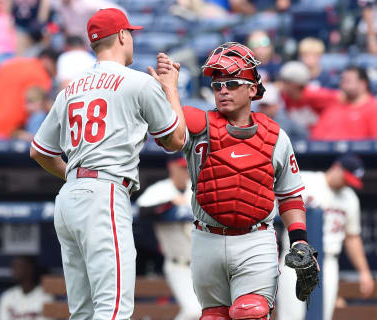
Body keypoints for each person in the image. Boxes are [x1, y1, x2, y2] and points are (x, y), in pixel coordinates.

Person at [29, 8, 186, 319]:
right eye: (131, 34)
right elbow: (176, 140)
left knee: (83, 313)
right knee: (112, 310)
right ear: (122, 36)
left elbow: (40, 152)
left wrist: (76, 180)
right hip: (104, 194)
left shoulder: (70, 89)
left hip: (70, 196)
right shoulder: (137, 82)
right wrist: (171, 89)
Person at [155, 42, 318, 320]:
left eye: (232, 83)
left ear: (252, 89)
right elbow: (170, 137)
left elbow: (290, 195)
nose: (223, 91)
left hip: (255, 240)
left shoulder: (275, 135)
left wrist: (299, 241)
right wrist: (169, 87)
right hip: (207, 238)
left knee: (250, 313)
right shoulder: (199, 123)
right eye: (217, 86)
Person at [277, 154, 375, 320]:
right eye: (346, 178)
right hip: (297, 257)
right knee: (291, 316)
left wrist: (364, 271)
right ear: (336, 168)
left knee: (322, 316)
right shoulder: (305, 181)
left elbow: (352, 237)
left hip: (328, 261)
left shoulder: (350, 198)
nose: (346, 183)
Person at [136, 153, 202, 320]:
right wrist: (170, 204)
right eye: (181, 167)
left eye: (188, 167)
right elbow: (142, 211)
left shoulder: (196, 189)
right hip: (178, 264)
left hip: (202, 265)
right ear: (171, 167)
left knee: (206, 313)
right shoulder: (160, 190)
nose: (185, 171)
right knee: (193, 311)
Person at [0, 48, 57, 140]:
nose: (55, 72)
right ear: (47, 61)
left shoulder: (13, 63)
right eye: (55, 66)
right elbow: (41, 105)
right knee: (40, 116)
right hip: (9, 132)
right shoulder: (41, 74)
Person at [310, 66, 377, 140]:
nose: (343, 84)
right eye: (342, 80)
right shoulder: (332, 108)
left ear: (363, 84)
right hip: (322, 156)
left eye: (348, 80)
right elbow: (316, 138)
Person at [0, 256, 52, 320]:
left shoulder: (46, 297)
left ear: (30, 269)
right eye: (13, 266)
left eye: (18, 266)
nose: (14, 270)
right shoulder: (7, 296)